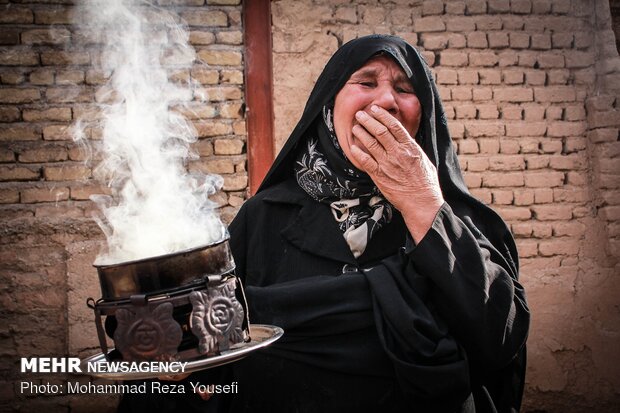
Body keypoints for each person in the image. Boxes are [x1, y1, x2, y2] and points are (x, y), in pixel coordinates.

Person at [118, 34, 529, 413]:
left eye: (405, 89)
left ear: (423, 116)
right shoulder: (264, 219)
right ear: (329, 106)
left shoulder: (460, 222)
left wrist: (422, 204)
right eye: (366, 83)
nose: (387, 101)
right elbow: (207, 350)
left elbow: (499, 340)